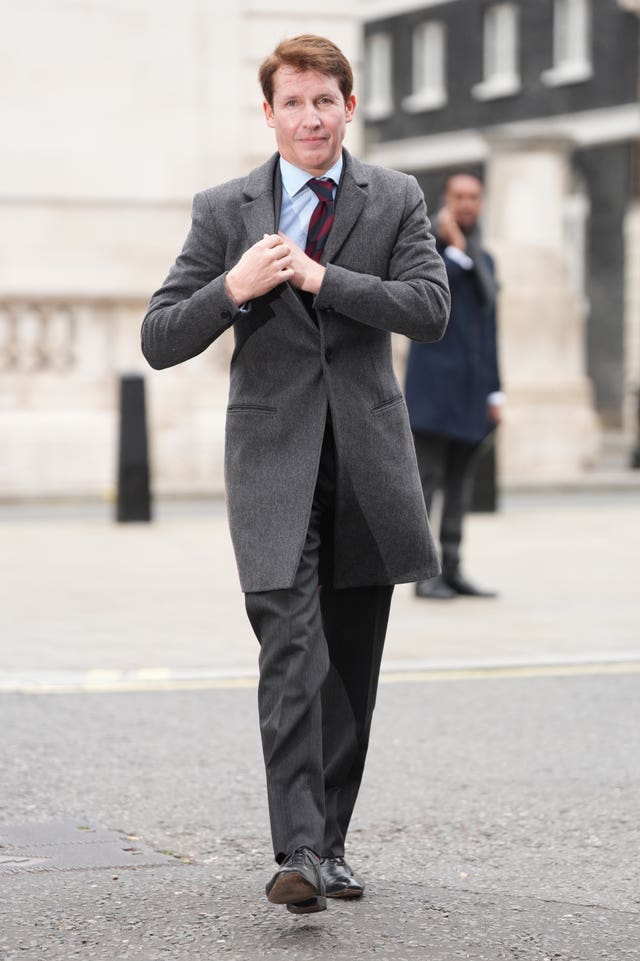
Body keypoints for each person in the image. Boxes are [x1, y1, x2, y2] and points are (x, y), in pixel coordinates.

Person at [141, 34, 449, 914]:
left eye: (324, 101)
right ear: (269, 114)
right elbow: (159, 337)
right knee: (290, 650)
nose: (309, 118)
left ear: (348, 107)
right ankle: (301, 852)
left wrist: (325, 277)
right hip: (272, 464)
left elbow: (430, 308)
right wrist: (233, 287)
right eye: (293, 103)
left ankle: (333, 844)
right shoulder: (223, 209)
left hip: (366, 461)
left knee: (348, 665)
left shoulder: (395, 196)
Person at [405, 172, 504, 600]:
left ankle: (453, 566)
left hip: (472, 390)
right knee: (426, 484)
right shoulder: (426, 255)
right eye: (459, 196)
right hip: (432, 391)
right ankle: (424, 575)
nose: (466, 204)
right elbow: (427, 300)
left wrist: (495, 392)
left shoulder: (485, 261)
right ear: (445, 201)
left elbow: (490, 329)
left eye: (473, 197)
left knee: (461, 485)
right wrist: (456, 249)